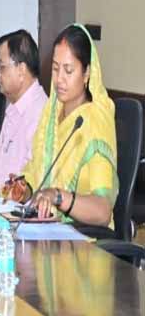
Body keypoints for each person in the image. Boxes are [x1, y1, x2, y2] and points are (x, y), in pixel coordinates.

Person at [16, 25, 118, 229]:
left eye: (68, 70)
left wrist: (57, 196)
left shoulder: (94, 121)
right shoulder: (51, 115)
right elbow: (37, 176)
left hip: (84, 236)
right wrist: (22, 189)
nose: (59, 79)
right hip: (45, 228)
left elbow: (103, 211)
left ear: (87, 73)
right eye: (55, 69)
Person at [0, 30, 48, 189]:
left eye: (2, 67)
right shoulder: (14, 107)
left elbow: (27, 183)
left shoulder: (40, 113)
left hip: (9, 201)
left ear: (21, 70)